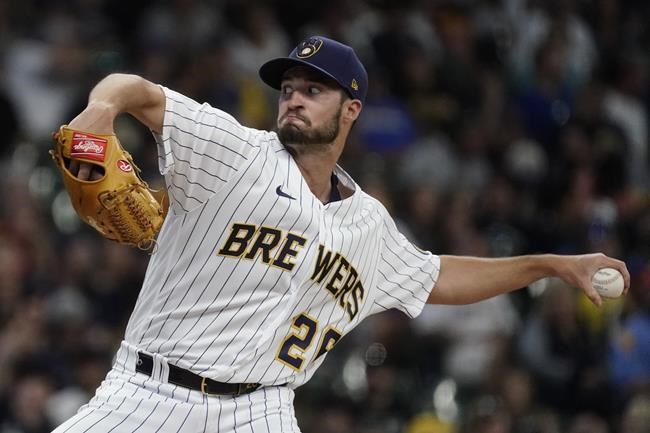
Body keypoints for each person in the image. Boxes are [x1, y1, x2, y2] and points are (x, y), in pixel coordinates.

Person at [52, 35, 629, 433]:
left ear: (350, 109)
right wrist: (101, 107)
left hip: (260, 412)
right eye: (289, 88)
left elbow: (438, 278)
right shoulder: (233, 151)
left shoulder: (368, 223)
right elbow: (134, 88)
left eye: (313, 90)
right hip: (148, 392)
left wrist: (552, 264)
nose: (295, 99)